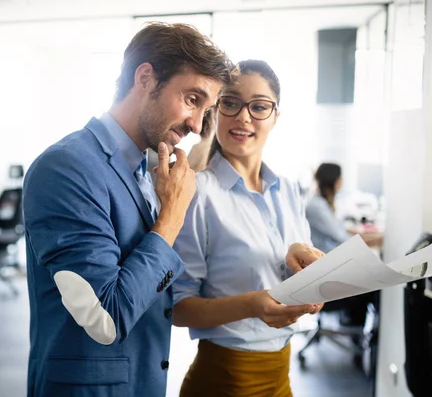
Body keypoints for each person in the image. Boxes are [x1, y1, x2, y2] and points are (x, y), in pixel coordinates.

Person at [22, 22, 233, 397]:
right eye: (192, 99)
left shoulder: (144, 168)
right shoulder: (67, 167)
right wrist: (171, 216)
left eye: (207, 109)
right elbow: (106, 316)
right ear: (146, 78)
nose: (198, 125)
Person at [172, 60, 323, 397]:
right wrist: (253, 304)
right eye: (230, 103)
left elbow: (298, 280)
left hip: (281, 378)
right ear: (216, 110)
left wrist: (312, 278)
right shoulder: (198, 193)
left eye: (258, 107)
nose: (243, 117)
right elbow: (178, 308)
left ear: (275, 116)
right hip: (224, 381)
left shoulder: (287, 189)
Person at [305, 163, 384, 253]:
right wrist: (378, 239)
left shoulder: (322, 202)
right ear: (336, 181)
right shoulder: (317, 206)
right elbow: (343, 239)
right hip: (326, 255)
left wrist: (373, 235)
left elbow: (341, 229)